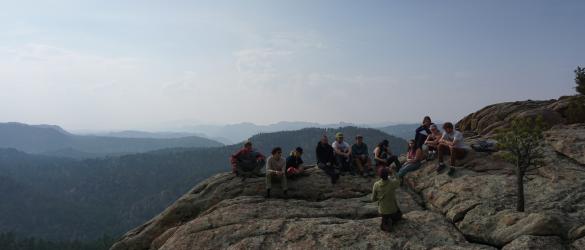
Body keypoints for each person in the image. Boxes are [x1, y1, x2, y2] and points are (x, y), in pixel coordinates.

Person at [372, 168, 402, 232]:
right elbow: (399, 180)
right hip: (393, 210)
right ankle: (391, 220)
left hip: (382, 211)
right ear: (387, 174)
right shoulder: (392, 183)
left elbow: (373, 199)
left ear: (379, 175)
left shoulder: (376, 185)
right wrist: (393, 172)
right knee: (399, 215)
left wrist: (380, 197)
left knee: (385, 215)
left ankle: (385, 222)